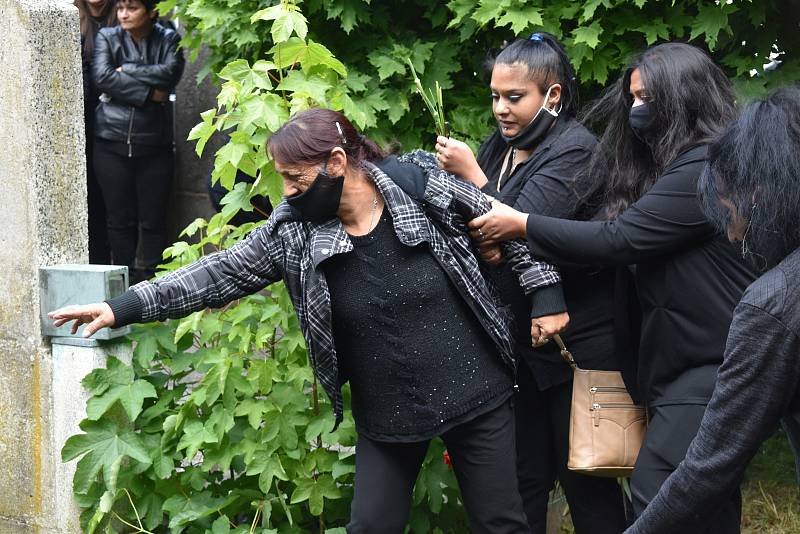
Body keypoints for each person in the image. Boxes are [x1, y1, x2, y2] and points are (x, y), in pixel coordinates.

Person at [49, 108, 571, 533]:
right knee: (369, 527)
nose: (288, 193)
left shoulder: (419, 185)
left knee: (501, 525)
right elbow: (216, 274)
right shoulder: (293, 230)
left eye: (296, 179)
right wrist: (124, 306)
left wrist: (546, 293)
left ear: (338, 161)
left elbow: (505, 223)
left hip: (473, 388)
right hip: (388, 410)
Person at [466, 42, 758, 531]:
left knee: (656, 492)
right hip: (674, 360)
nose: (637, 112)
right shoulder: (672, 167)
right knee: (704, 500)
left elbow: (619, 238)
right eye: (634, 99)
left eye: (648, 100)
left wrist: (520, 225)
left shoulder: (704, 167)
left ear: (683, 98)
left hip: (709, 360)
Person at [433, 32, 625, 533]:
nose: (500, 109)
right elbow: (471, 226)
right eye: (495, 96)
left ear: (553, 96)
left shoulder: (577, 149)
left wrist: (474, 180)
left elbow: (527, 224)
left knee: (587, 480)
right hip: (516, 345)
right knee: (520, 482)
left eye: (514, 97)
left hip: (575, 344)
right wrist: (486, 222)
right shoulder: (501, 145)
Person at [624, 86, 800, 533]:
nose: (730, 235)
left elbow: (707, 468)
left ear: (759, 194)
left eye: (726, 214)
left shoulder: (773, 304)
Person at [92, 0, 184, 283]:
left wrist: (127, 70)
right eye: (120, 8)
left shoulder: (168, 37)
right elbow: (102, 77)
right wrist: (147, 94)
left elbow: (170, 74)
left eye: (132, 8)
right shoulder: (108, 36)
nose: (123, 15)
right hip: (110, 138)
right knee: (119, 220)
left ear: (151, 12)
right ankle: (123, 286)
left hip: (153, 142)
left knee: (153, 220)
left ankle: (154, 287)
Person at [75, 0, 116, 264]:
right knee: (88, 200)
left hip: (114, 127)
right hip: (81, 124)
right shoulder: (72, 18)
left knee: (112, 204)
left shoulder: (124, 14)